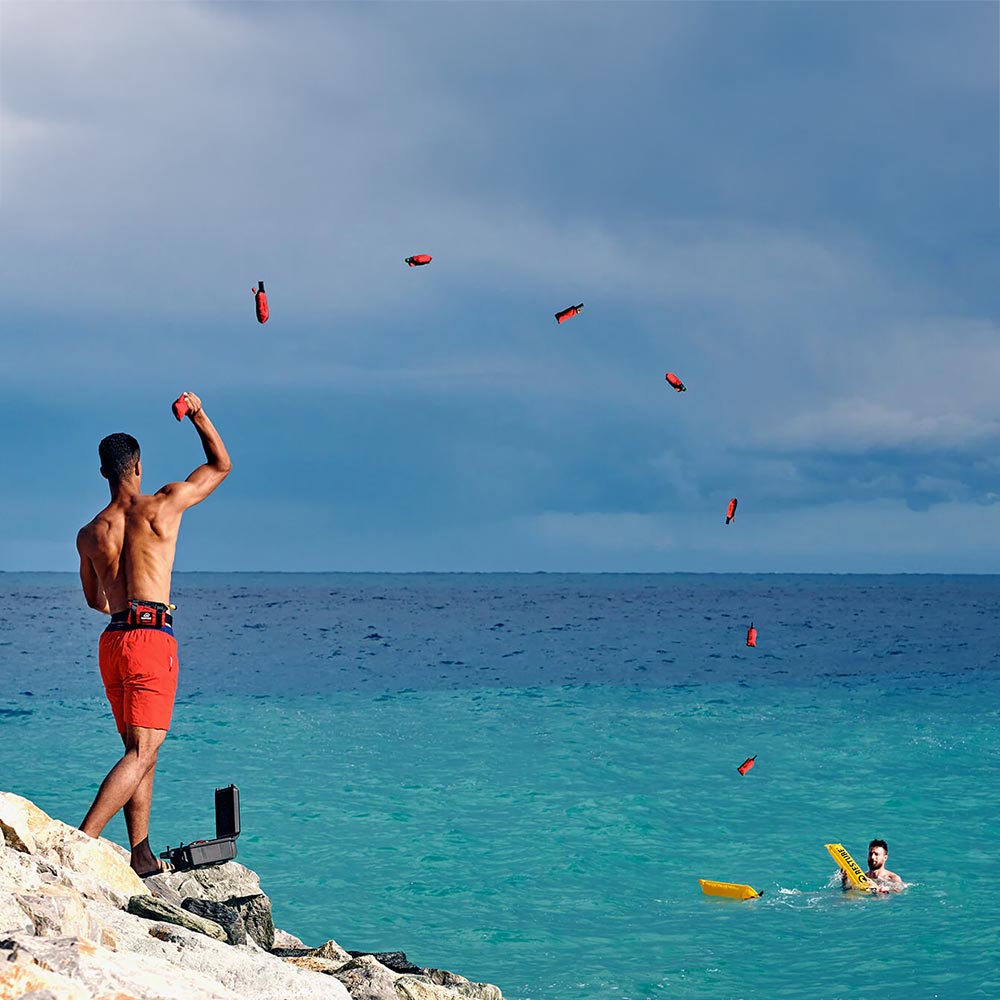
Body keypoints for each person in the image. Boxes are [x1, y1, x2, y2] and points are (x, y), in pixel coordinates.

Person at [76, 392, 231, 877]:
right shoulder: (162, 505)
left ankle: (141, 854)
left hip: (113, 640)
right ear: (137, 467)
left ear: (104, 473)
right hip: (150, 639)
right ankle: (80, 845)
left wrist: (120, 600)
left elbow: (94, 601)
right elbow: (220, 465)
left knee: (140, 749)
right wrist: (197, 412)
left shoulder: (90, 532)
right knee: (142, 750)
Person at [840, 838, 904, 893]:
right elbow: (848, 892)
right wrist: (845, 880)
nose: (872, 857)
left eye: (876, 854)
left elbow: (896, 896)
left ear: (885, 858)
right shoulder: (862, 877)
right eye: (870, 854)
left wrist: (878, 889)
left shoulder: (893, 879)